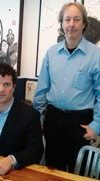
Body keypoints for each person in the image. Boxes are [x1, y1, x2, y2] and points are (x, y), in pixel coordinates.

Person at [33, 2, 100, 174]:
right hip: (53, 120)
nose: (71, 24)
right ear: (61, 24)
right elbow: (41, 90)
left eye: (76, 19)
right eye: (67, 19)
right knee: (52, 171)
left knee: (79, 172)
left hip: (81, 124)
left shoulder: (96, 55)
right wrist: (38, 120)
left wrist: (97, 125)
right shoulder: (51, 53)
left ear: (84, 24)